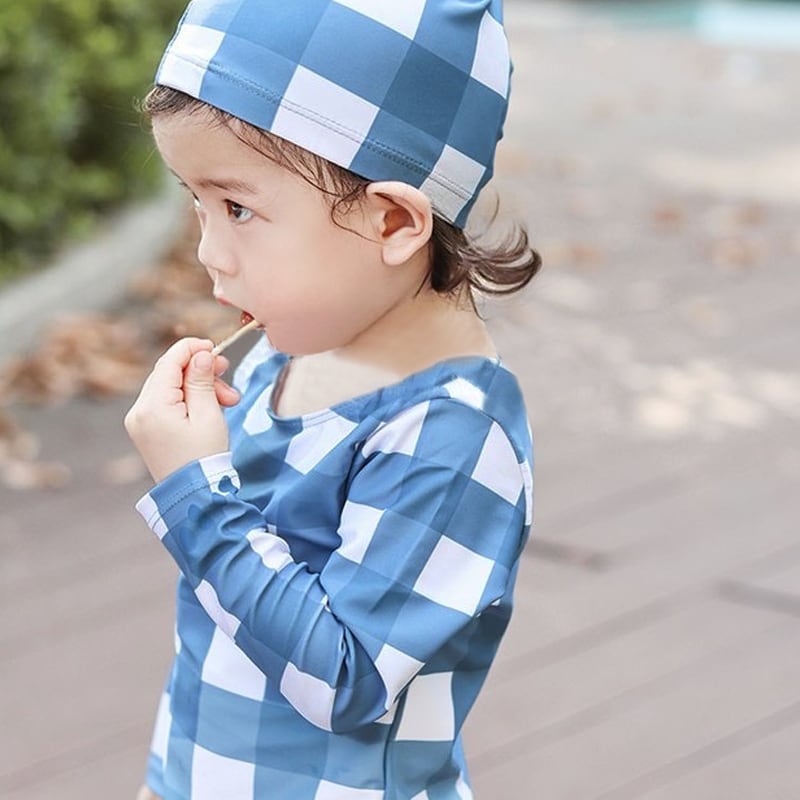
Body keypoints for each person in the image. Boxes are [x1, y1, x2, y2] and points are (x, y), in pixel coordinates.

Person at [125, 1, 539, 798]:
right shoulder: (293, 351)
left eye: (238, 208)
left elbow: (346, 683)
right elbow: (222, 639)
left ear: (392, 222)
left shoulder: (454, 431)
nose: (209, 253)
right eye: (197, 202)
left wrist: (196, 494)